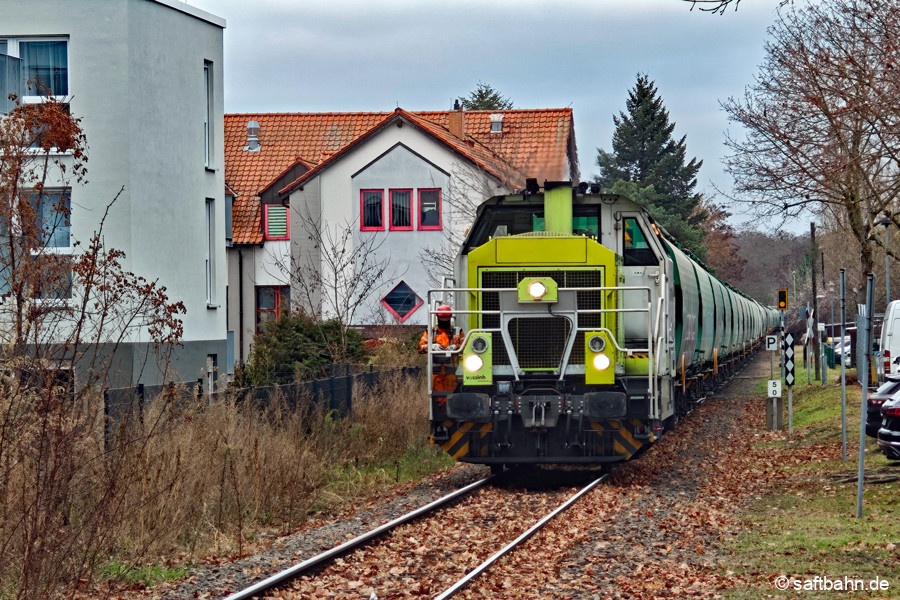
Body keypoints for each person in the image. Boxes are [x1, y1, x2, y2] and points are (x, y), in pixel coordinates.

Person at [419, 305, 465, 399]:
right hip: (435, 371)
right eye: (442, 317)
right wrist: (431, 346)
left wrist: (455, 347)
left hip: (452, 371)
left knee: (451, 395)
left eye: (446, 317)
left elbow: (466, 347)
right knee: (436, 396)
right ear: (438, 317)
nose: (444, 319)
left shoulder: (457, 331)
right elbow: (420, 348)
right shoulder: (430, 332)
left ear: (450, 317)